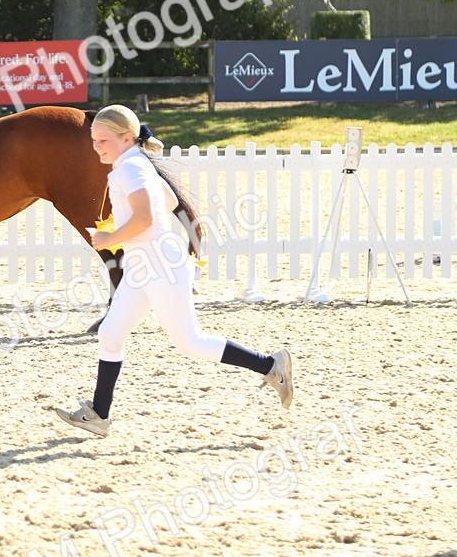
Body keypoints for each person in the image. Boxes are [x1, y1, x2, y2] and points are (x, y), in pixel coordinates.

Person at [56, 105, 293, 437]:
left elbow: (148, 218)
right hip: (144, 266)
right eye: (94, 141)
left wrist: (110, 237)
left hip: (159, 267)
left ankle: (271, 365)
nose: (96, 147)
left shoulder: (130, 169)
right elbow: (166, 201)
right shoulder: (134, 164)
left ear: (126, 138)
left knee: (190, 342)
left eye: (103, 140)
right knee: (110, 334)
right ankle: (99, 415)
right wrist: (124, 228)